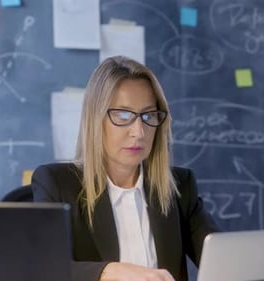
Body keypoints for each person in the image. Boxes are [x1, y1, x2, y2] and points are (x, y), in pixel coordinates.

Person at [31, 56, 220, 281]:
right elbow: (42, 269)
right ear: (96, 119)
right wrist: (108, 271)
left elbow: (223, 260)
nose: (139, 132)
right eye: (123, 115)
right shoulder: (57, 183)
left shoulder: (180, 187)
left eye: (148, 115)